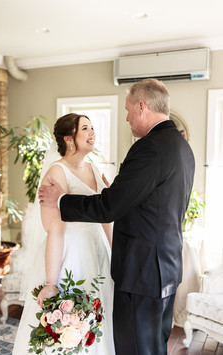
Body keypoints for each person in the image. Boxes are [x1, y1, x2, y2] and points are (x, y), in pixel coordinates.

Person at [39, 79, 195, 355]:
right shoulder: (181, 147)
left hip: (142, 274)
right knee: (154, 347)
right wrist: (122, 194)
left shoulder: (149, 147)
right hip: (165, 270)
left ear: (142, 106)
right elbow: (155, 203)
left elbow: (109, 208)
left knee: (135, 349)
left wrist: (60, 199)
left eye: (128, 110)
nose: (127, 118)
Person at [12, 113, 115, 355]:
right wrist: (51, 283)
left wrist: (116, 255)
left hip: (98, 253)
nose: (93, 133)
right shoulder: (56, 172)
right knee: (69, 324)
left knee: (98, 319)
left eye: (93, 128)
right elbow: (55, 231)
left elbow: (107, 218)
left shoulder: (94, 168)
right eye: (85, 128)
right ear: (69, 139)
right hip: (70, 255)